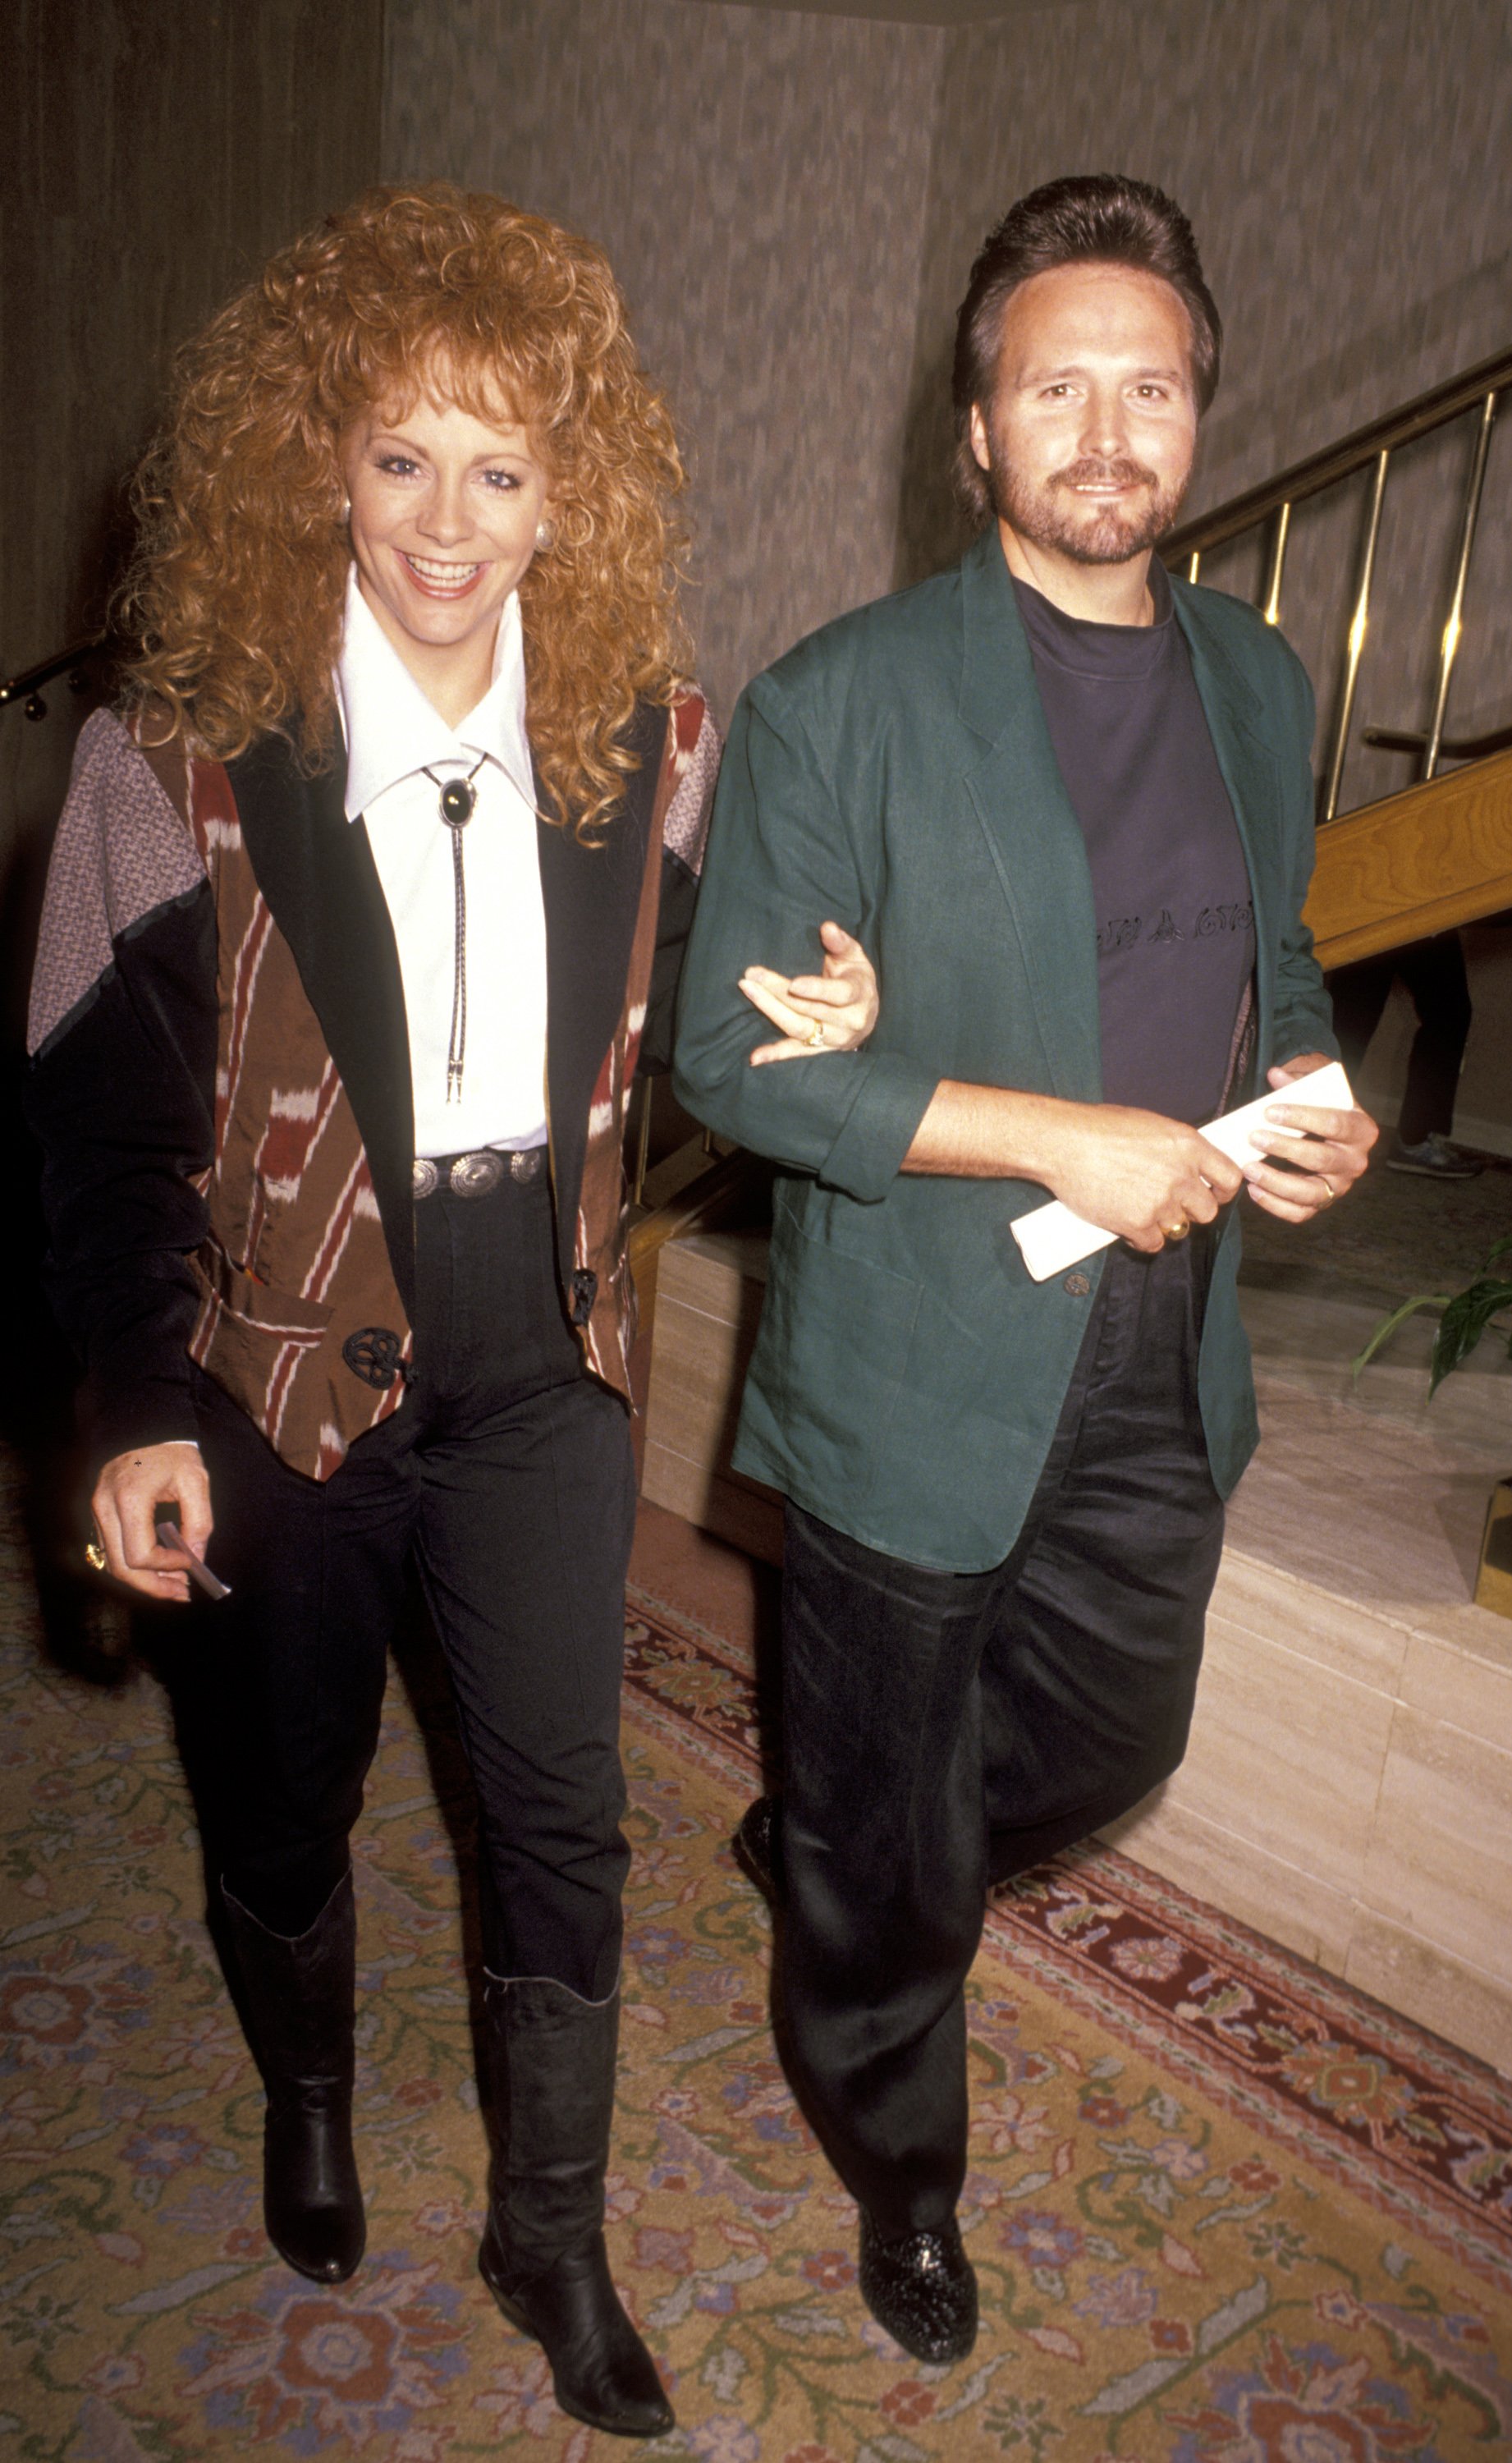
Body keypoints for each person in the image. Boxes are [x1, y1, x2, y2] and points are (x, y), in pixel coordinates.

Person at [24, 184, 874, 2441]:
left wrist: (823, 1001)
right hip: (280, 1374)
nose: (446, 521)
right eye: (399, 454)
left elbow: (716, 1031)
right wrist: (125, 1396)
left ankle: (551, 2236)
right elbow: (94, 1129)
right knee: (280, 1789)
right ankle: (309, 2086)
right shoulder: (169, 754)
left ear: (567, 492)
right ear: (315, 456)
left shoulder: (649, 744)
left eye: (502, 468)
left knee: (562, 1809)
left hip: (546, 1360)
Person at [673, 174, 1378, 2365]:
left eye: (1146, 385)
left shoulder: (1257, 681)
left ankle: (848, 1840)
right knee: (898, 1872)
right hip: (924, 1344)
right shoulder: (838, 705)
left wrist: (1308, 1093)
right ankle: (903, 2162)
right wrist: (1028, 1122)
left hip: (1163, 1333)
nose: (1104, 426)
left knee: (1101, 1735)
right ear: (972, 431)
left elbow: (1274, 962)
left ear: (1198, 418)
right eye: (1051, 383)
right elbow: (726, 1066)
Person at [1329, 931, 1482, 1178]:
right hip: (1377, 912)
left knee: (1449, 1014)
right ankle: (1309, 1133)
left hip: (1429, 910)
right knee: (1348, 1023)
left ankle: (1416, 1138)